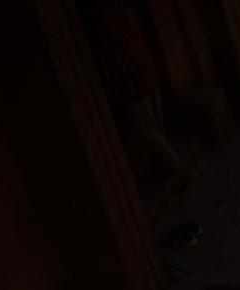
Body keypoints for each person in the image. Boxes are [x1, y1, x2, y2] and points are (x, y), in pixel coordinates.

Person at [84, 0, 197, 182]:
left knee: (150, 133)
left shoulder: (101, 19)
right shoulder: (124, 10)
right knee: (158, 129)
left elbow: (113, 55)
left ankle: (183, 173)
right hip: (146, 70)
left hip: (131, 81)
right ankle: (169, 170)